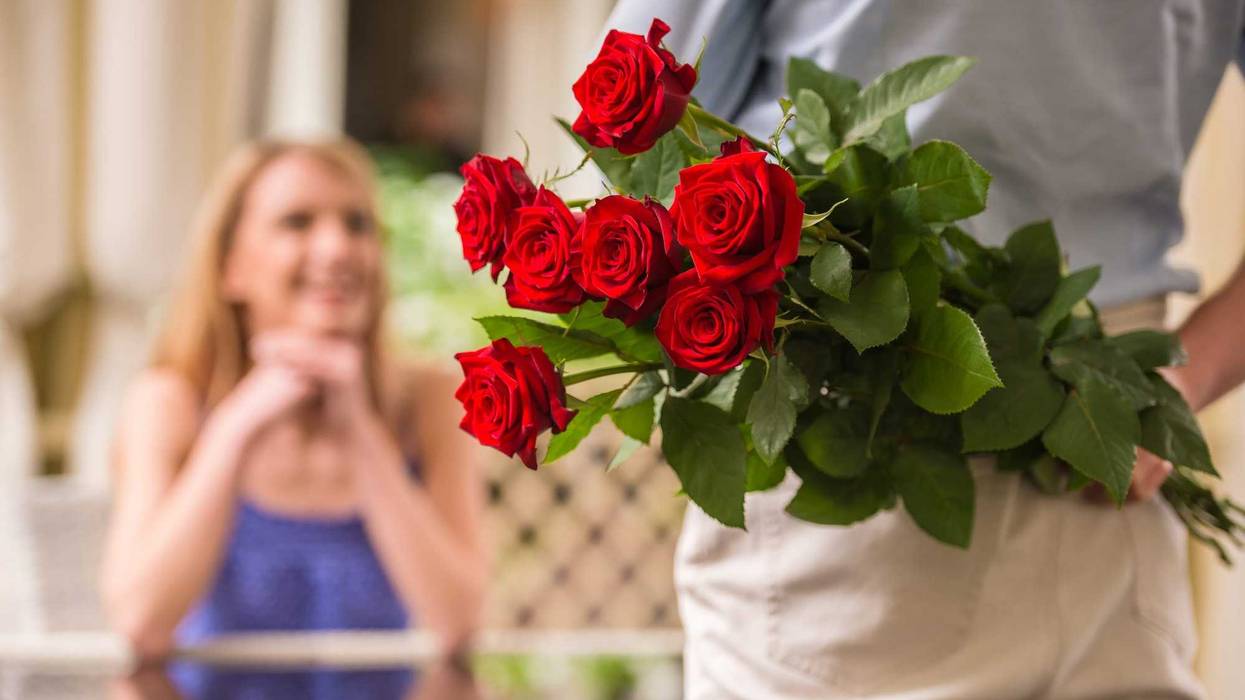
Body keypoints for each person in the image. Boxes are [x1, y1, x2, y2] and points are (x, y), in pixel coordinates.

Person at [605, 1, 1245, 698]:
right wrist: (1183, 378)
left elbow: (640, 141)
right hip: (883, 457)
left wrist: (1179, 383)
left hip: (1076, 465)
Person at [99, 140, 487, 661]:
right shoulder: (169, 402)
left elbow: (458, 623)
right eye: (297, 223)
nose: (337, 248)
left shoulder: (428, 400)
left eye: (356, 224)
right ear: (231, 267)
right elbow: (140, 621)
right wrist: (236, 424)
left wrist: (359, 428)